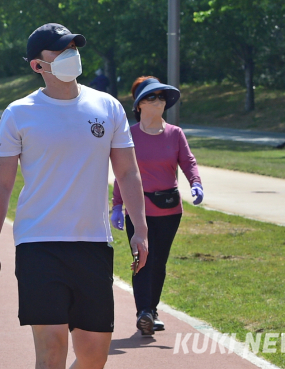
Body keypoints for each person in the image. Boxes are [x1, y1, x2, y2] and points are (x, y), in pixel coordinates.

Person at [0, 23, 149, 369]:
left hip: (92, 243)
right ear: (37, 66)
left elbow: (127, 172)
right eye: (60, 51)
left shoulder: (108, 107)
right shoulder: (18, 114)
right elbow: (0, 186)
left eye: (73, 48)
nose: (71, 55)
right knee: (52, 346)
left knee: (93, 355)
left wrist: (141, 230)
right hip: (38, 243)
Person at [110, 76, 204, 336]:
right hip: (138, 210)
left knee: (159, 262)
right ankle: (144, 312)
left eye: (162, 96)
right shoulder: (129, 135)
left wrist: (195, 183)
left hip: (169, 211)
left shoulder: (175, 134)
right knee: (142, 259)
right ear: (139, 104)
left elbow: (188, 162)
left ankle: (152, 310)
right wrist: (117, 206)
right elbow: (123, 173)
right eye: (152, 96)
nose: (159, 101)